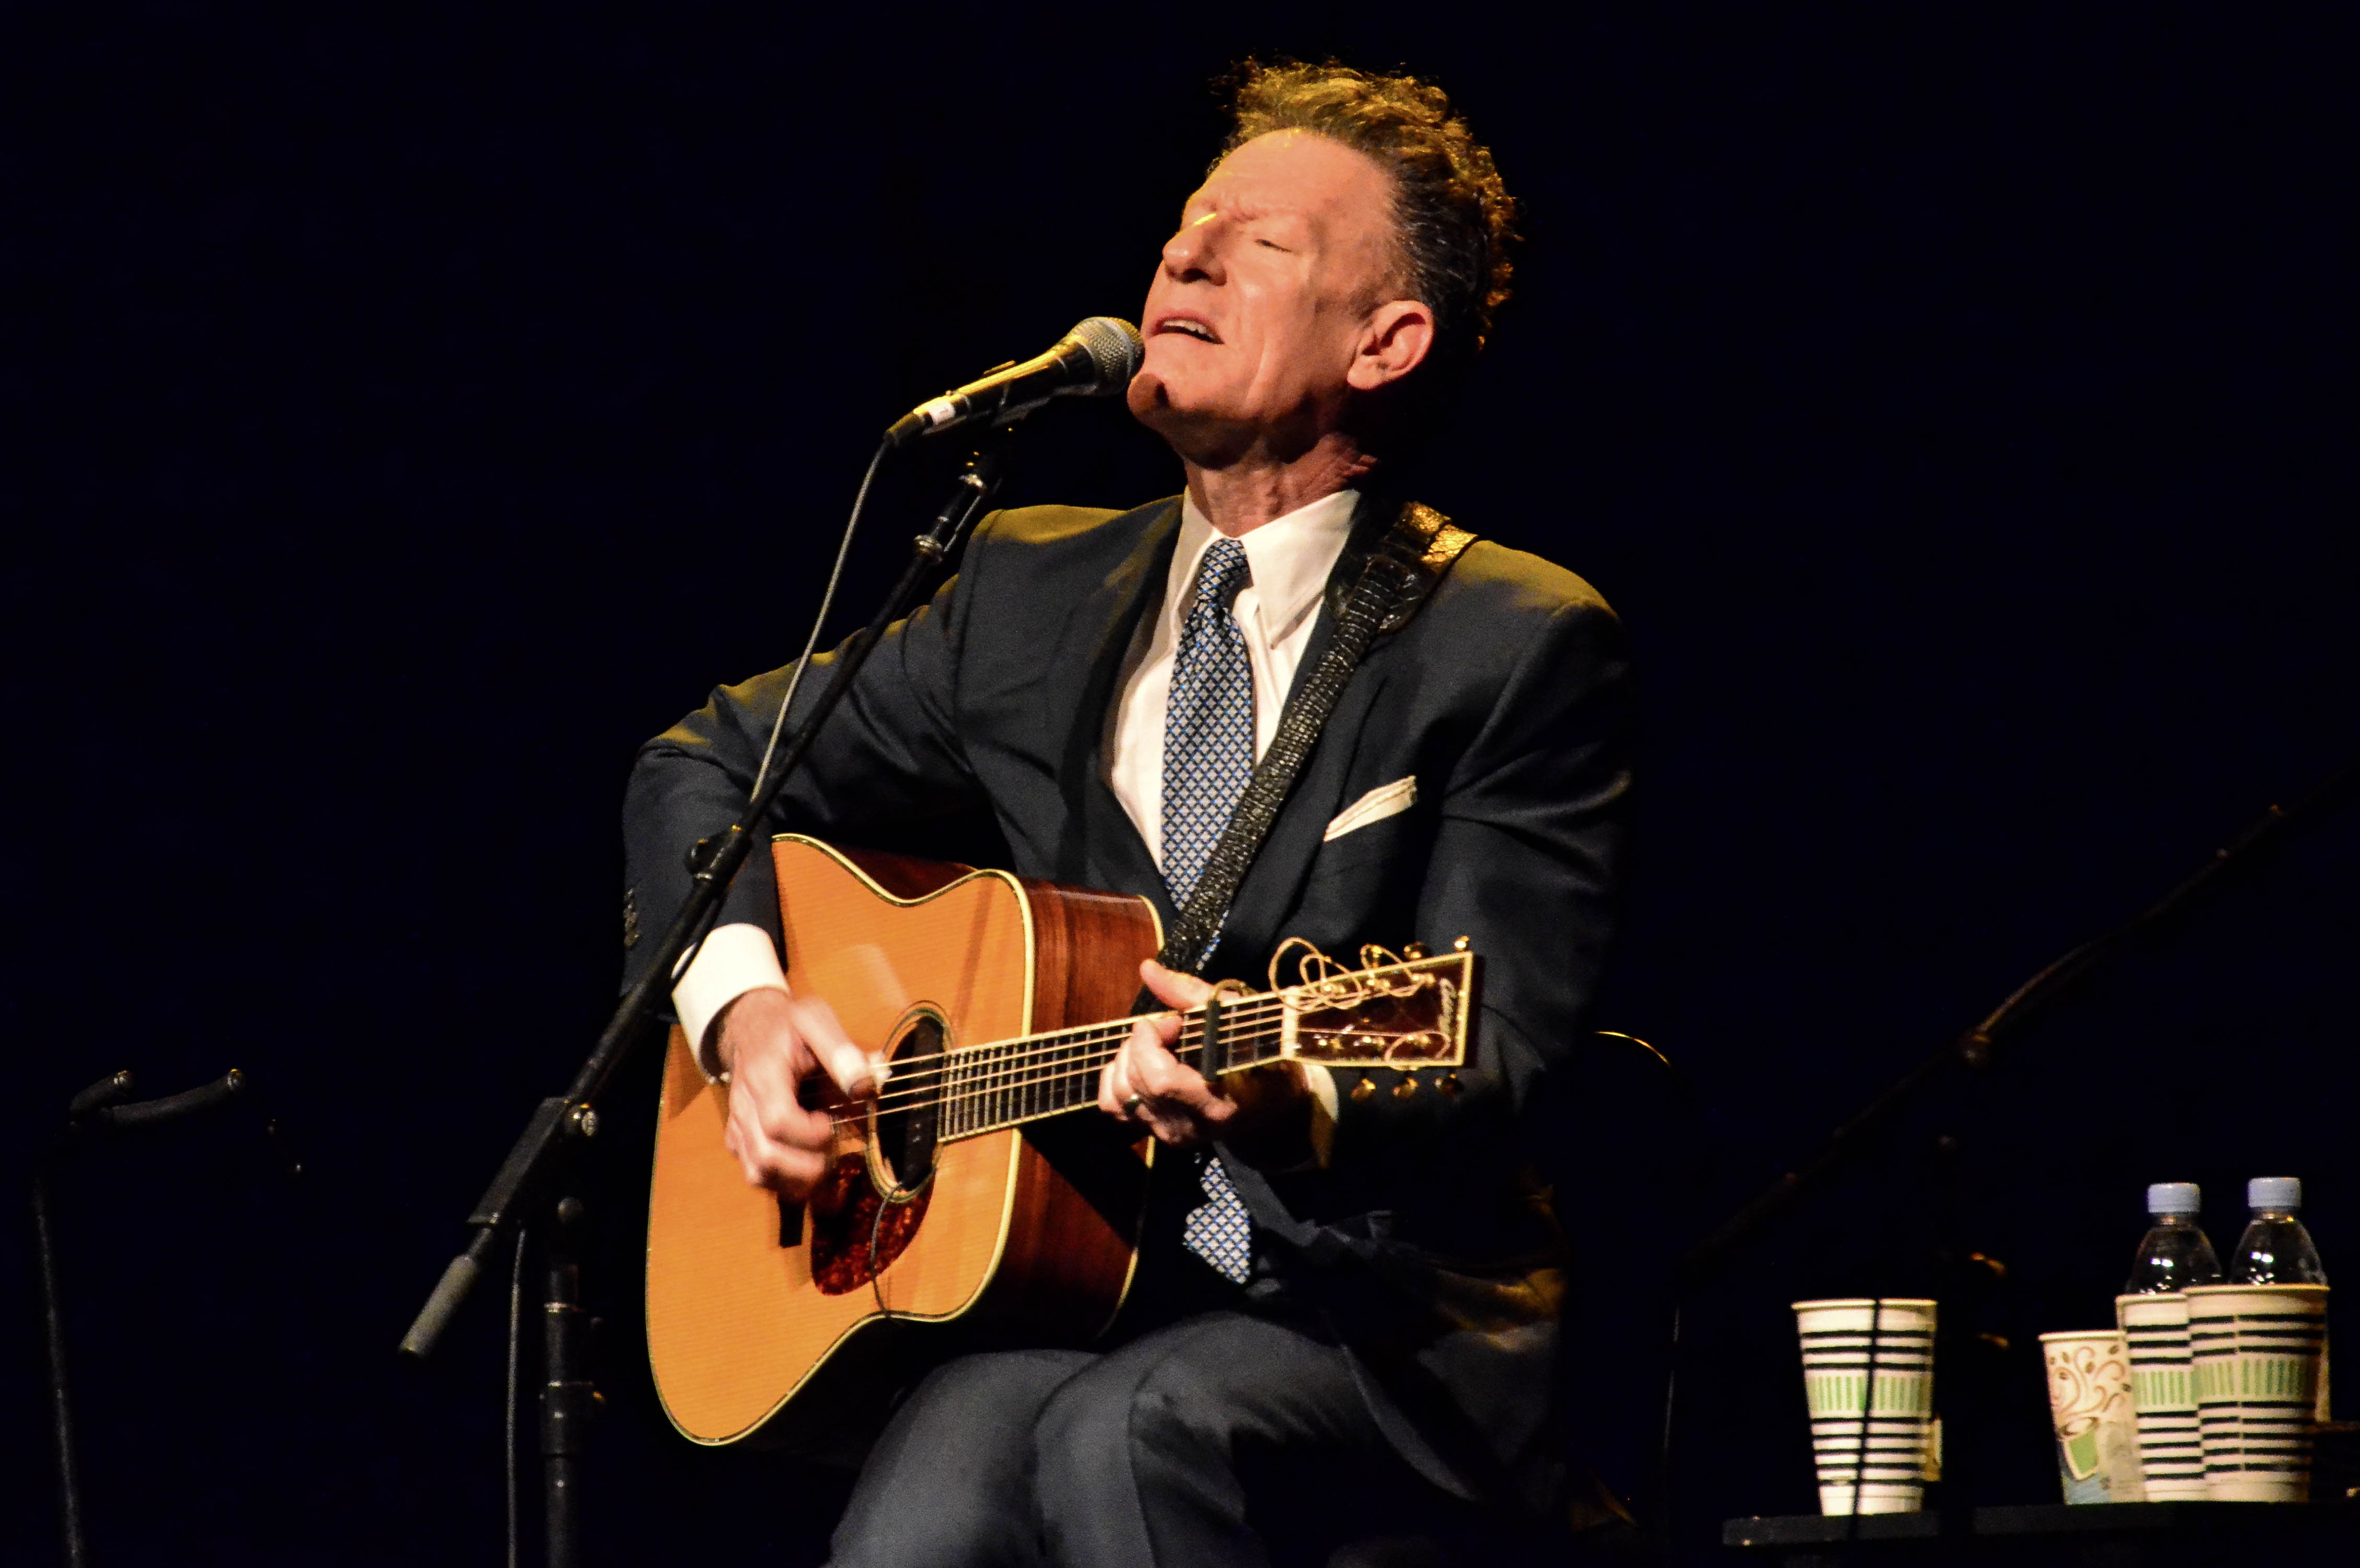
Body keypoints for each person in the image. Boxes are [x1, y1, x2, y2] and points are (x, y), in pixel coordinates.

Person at [622, 60, 1633, 1567]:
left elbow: (1492, 1048)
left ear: (1386, 339)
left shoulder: (1510, 638)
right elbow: (699, 766)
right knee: (919, 1512)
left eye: (1262, 244)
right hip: (1080, 1282)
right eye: (1184, 228)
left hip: (1374, 1318)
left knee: (1130, 1431)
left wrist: (1297, 1095)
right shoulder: (1027, 593)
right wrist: (747, 1015)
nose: (1185, 257)